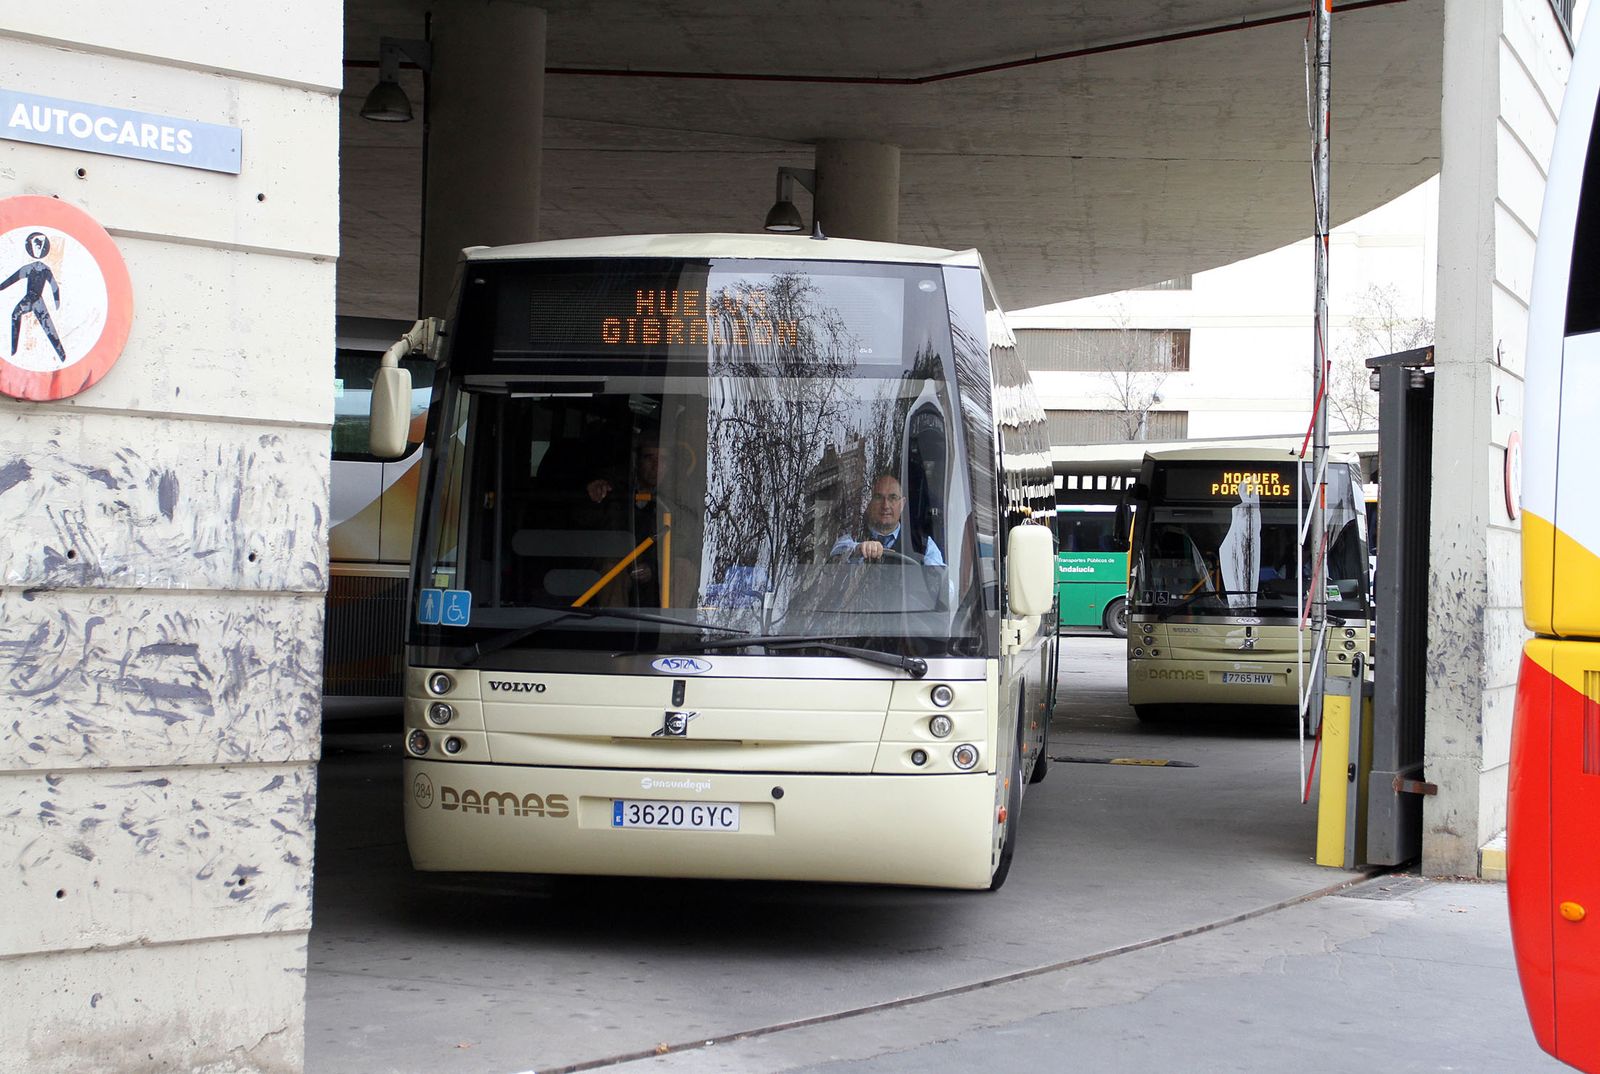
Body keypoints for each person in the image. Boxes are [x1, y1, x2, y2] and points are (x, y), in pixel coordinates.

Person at [831, 472, 944, 566]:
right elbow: (835, 553)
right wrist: (858, 549)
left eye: (893, 498)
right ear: (869, 503)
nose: (885, 505)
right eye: (878, 497)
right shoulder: (854, 535)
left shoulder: (922, 544)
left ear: (902, 504)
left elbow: (943, 583)